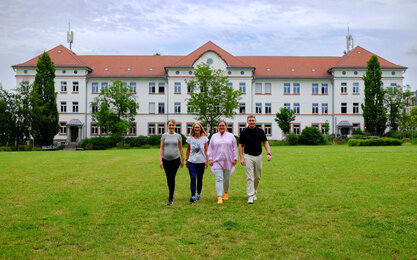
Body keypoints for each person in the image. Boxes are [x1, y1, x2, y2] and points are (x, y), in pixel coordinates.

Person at [239, 115, 272, 204]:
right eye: (250, 120)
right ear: (247, 122)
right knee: (250, 177)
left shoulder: (260, 131)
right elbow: (241, 145)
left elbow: (265, 142)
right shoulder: (244, 132)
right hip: (248, 156)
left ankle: (254, 193)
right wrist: (241, 158)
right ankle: (250, 195)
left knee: (257, 177)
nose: (251, 122)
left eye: (253, 120)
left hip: (258, 156)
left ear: (255, 121)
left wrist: (269, 153)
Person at [207, 120, 238, 204]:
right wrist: (210, 158)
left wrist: (235, 158)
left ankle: (226, 192)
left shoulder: (231, 136)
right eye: (220, 125)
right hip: (216, 160)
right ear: (218, 127)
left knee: (226, 179)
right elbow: (210, 148)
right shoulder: (214, 136)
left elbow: (234, 148)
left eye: (223, 125)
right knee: (219, 178)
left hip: (228, 160)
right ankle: (219, 196)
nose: (221, 127)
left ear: (226, 126)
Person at [159, 119, 184, 205]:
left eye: (173, 125)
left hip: (175, 160)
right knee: (168, 178)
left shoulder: (178, 136)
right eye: (170, 125)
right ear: (167, 126)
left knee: (171, 177)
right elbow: (161, 148)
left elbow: (181, 149)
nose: (171, 126)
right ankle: (171, 194)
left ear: (175, 126)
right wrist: (160, 160)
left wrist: (182, 159)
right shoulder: (164, 136)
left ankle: (170, 198)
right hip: (165, 160)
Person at [186, 122, 209, 203]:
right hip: (192, 161)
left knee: (200, 179)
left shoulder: (204, 139)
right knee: (193, 178)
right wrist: (186, 160)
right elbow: (188, 150)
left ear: (200, 129)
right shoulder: (190, 139)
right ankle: (193, 196)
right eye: (195, 127)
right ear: (193, 129)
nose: (197, 129)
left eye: (198, 127)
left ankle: (198, 193)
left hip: (201, 161)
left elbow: (206, 150)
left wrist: (207, 160)